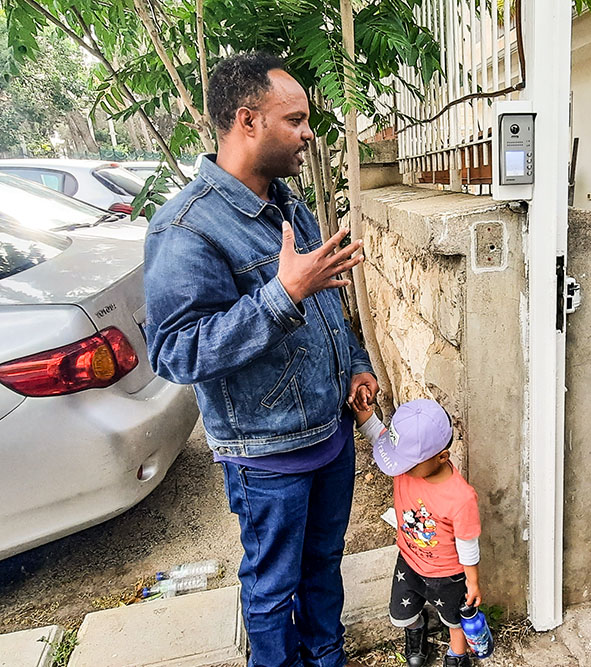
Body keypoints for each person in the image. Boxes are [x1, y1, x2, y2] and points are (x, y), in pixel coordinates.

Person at [144, 52, 377, 667]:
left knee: (325, 565)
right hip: (266, 455)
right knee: (273, 589)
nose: (308, 133)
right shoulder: (187, 228)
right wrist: (283, 295)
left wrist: (354, 362)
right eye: (295, 120)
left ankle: (327, 658)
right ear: (247, 121)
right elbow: (175, 351)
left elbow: (326, 299)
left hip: (330, 434)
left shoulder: (288, 204)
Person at [351, 391, 482, 667]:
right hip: (408, 562)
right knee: (402, 611)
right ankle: (416, 628)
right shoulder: (406, 462)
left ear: (442, 457)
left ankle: (457, 655)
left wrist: (472, 581)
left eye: (408, 463)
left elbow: (467, 542)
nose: (400, 467)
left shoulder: (460, 497)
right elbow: (376, 432)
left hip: (448, 574)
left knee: (454, 619)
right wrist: (360, 407)